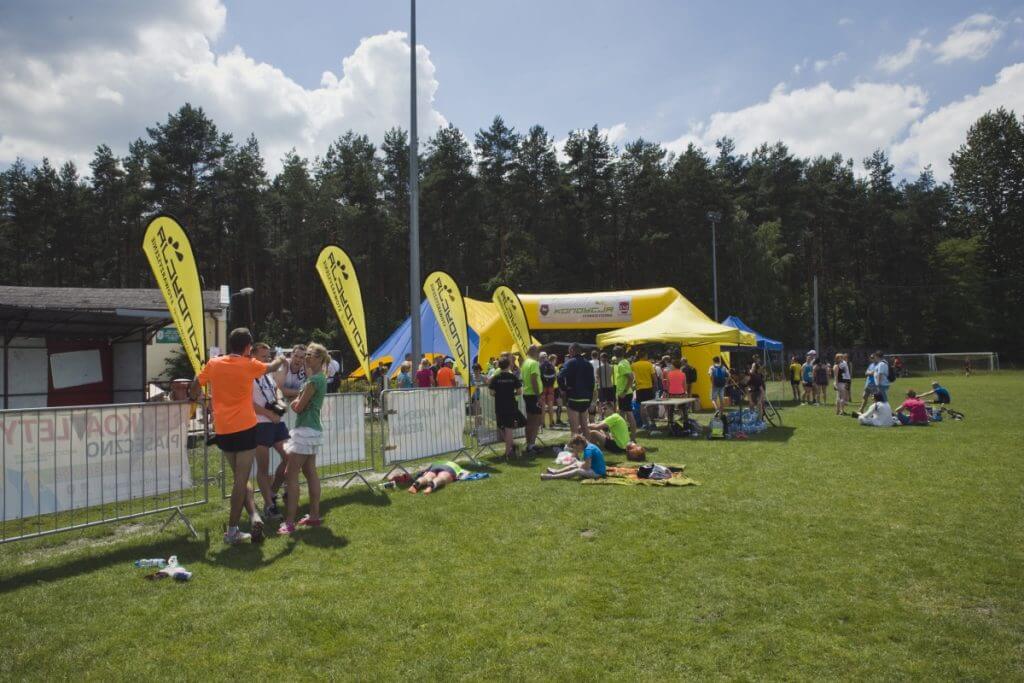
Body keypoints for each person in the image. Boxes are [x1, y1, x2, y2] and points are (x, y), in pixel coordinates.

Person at [193, 327, 287, 545]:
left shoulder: (214, 363)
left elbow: (195, 384)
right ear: (248, 347)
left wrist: (193, 397)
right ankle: (232, 530)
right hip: (245, 428)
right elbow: (271, 366)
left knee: (239, 478)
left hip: (223, 429)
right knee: (241, 480)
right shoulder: (249, 364)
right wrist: (281, 358)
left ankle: (253, 515)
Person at [279, 342, 328, 534]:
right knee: (309, 472)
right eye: (306, 354)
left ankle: (289, 522)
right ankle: (314, 516)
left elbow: (298, 407)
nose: (306, 358)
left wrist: (294, 403)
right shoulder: (318, 379)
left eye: (310, 355)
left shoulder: (314, 380)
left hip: (306, 430)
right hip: (312, 429)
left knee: (290, 474)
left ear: (319, 359)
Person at [252, 342, 290, 520]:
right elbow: (247, 402)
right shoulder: (249, 374)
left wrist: (280, 403)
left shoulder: (267, 375)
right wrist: (268, 413)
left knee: (290, 457)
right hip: (260, 424)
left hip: (276, 422)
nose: (267, 360)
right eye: (263, 357)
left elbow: (276, 390)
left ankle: (273, 492)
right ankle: (269, 506)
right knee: (263, 468)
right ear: (253, 356)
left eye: (268, 357)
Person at [488, 356, 525, 458]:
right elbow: (519, 391)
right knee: (508, 428)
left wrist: (500, 394)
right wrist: (510, 393)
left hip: (499, 405)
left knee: (501, 427)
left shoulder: (496, 378)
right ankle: (510, 450)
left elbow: (491, 392)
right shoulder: (513, 377)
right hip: (511, 405)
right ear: (509, 365)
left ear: (499, 366)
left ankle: (508, 451)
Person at [559, 343, 596, 436]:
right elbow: (592, 383)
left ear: (572, 351)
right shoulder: (588, 364)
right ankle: (588, 447)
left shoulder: (570, 362)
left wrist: (564, 388)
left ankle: (574, 449)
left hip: (574, 398)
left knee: (574, 429)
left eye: (569, 351)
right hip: (586, 399)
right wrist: (590, 398)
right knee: (584, 427)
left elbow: (560, 376)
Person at [541, 434, 605, 481]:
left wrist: (579, 466)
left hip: (597, 473)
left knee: (577, 471)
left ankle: (552, 477)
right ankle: (556, 472)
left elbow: (587, 466)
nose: (576, 450)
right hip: (596, 469)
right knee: (576, 464)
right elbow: (587, 464)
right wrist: (579, 464)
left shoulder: (588, 450)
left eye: (576, 447)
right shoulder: (589, 446)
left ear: (580, 444)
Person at [520, 345, 544, 452]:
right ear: (534, 351)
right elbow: (534, 379)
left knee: (530, 420)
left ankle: (529, 443)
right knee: (536, 421)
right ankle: (531, 445)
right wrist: (538, 396)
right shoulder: (534, 363)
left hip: (527, 394)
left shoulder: (525, 363)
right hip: (533, 394)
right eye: (537, 351)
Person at [612, 346, 636, 438]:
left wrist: (624, 392)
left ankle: (633, 438)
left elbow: (631, 378)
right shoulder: (624, 362)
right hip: (623, 393)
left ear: (614, 355)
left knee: (629, 415)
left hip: (624, 394)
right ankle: (623, 436)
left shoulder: (622, 364)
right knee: (621, 415)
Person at [631, 349, 656, 430]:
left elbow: (631, 376)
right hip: (649, 387)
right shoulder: (649, 364)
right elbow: (654, 377)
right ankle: (652, 422)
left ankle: (645, 424)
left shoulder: (634, 365)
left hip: (639, 388)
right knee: (650, 406)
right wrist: (655, 386)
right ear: (645, 356)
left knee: (642, 406)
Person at [539, 351, 558, 428]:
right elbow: (554, 377)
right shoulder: (551, 365)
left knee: (543, 406)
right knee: (550, 405)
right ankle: (551, 422)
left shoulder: (540, 365)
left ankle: (542, 423)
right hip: (551, 387)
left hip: (543, 387)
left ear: (540, 358)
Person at [595, 352, 615, 418]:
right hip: (610, 386)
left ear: (601, 358)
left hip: (602, 387)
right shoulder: (611, 367)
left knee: (601, 402)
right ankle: (613, 414)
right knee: (611, 402)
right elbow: (611, 375)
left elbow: (597, 378)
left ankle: (601, 416)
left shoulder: (598, 367)